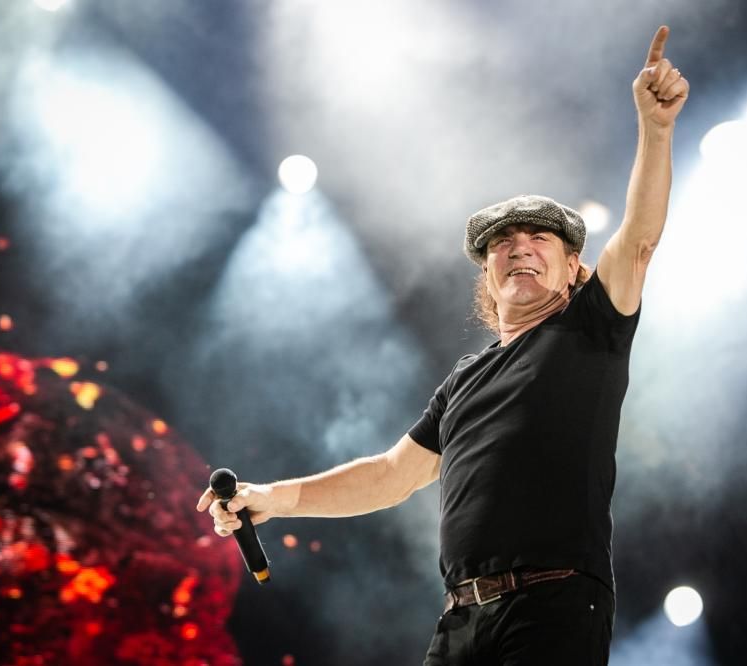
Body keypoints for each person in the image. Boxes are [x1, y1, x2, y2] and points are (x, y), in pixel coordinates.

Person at [197, 25, 688, 665]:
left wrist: (655, 130)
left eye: (540, 238)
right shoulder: (463, 381)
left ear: (574, 268)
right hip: (461, 619)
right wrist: (272, 498)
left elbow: (640, 239)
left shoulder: (590, 328)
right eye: (503, 242)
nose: (519, 246)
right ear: (488, 276)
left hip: (553, 603)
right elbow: (390, 475)